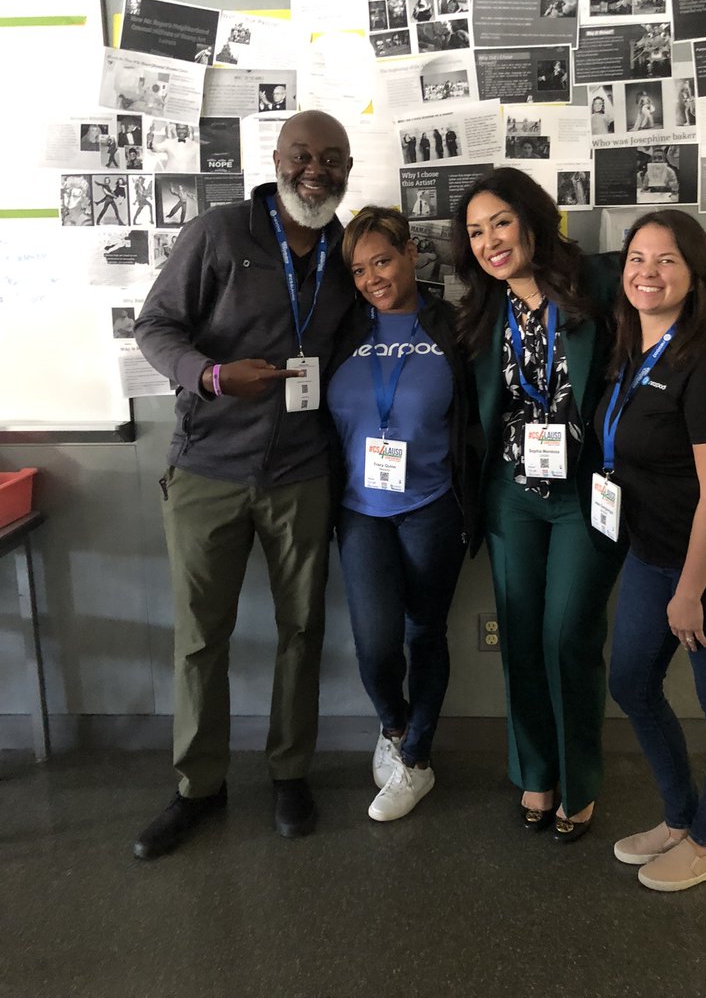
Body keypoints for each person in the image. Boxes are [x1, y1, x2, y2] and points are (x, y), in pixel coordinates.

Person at [450, 169, 706, 844]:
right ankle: (534, 769)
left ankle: (580, 780)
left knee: (569, 635)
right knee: (521, 636)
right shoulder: (478, 309)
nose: (491, 241)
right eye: (475, 231)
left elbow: (682, 300)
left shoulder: (595, 279)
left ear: (532, 220)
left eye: (501, 221)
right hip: (511, 494)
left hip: (587, 493)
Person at [132, 110, 357, 859]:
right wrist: (213, 377)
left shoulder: (348, 250)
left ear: (347, 166)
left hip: (302, 475)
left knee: (302, 631)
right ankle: (199, 785)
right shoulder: (222, 232)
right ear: (277, 158)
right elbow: (155, 327)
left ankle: (290, 772)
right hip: (207, 471)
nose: (315, 169)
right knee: (201, 640)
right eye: (302, 154)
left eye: (330, 157)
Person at [597, 210, 706, 891]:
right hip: (654, 550)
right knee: (631, 681)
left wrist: (690, 591)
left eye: (666, 260)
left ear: (695, 274)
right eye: (638, 258)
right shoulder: (631, 345)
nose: (648, 271)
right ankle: (679, 817)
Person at [326, 207, 472, 821]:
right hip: (360, 510)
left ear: (412, 253)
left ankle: (416, 759)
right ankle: (393, 727)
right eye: (359, 270)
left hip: (432, 507)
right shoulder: (340, 331)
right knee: (375, 643)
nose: (372, 278)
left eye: (382, 261)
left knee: (424, 633)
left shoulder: (455, 328)